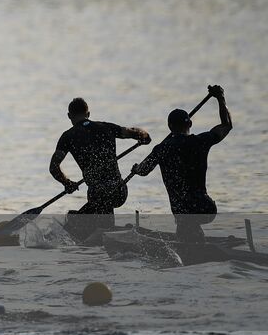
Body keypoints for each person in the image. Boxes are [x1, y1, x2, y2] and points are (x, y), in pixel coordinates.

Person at [131, 85, 233, 241]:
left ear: (170, 127)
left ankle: (191, 247)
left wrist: (136, 168)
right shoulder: (201, 141)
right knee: (188, 224)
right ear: (190, 124)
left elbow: (144, 170)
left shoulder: (161, 149)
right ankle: (198, 242)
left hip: (182, 210)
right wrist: (220, 97)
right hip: (206, 208)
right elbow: (227, 125)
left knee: (184, 216)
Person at [49, 97, 151, 240]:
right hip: (119, 191)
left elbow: (53, 167)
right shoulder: (106, 127)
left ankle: (99, 233)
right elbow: (135, 132)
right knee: (98, 210)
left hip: (98, 194)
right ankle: (110, 232)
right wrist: (145, 136)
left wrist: (67, 183)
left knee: (78, 219)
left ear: (69, 116)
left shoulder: (68, 137)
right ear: (88, 114)